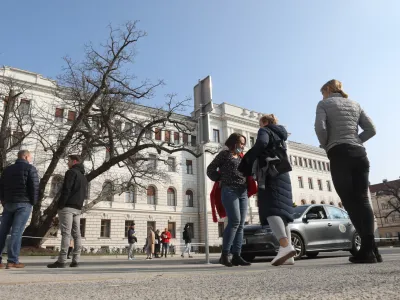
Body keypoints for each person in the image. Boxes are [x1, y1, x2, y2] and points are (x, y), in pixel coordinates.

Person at [315, 79, 379, 264]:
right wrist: (357, 140)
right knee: (363, 200)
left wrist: (327, 145)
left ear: (327, 90)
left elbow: (320, 127)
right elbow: (371, 129)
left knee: (350, 203)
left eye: (323, 92)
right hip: (360, 154)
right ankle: (371, 249)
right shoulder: (355, 104)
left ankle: (368, 251)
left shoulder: (324, 104)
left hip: (339, 153)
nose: (322, 96)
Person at [252, 115, 295, 266]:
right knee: (283, 215)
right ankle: (289, 256)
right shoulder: (281, 134)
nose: (260, 125)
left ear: (265, 122)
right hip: (283, 173)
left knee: (270, 210)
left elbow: (261, 144)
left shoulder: (265, 130)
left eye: (260, 123)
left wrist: (251, 158)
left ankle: (285, 246)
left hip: (270, 173)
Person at [207, 133, 251, 267]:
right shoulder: (224, 155)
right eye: (241, 143)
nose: (242, 146)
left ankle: (237, 255)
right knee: (234, 221)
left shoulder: (242, 157)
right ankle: (225, 255)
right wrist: (220, 179)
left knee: (241, 224)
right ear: (233, 143)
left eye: (244, 143)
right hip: (229, 190)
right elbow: (210, 169)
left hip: (243, 191)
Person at [0, 150, 39, 269]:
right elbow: (34, 186)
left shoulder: (7, 169)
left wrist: (3, 200)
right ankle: (12, 260)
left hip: (9, 203)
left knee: (2, 232)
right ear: (26, 156)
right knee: (16, 232)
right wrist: (34, 202)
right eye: (30, 157)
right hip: (24, 203)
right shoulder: (30, 169)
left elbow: (1, 186)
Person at [47, 155, 87, 268]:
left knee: (66, 233)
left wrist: (60, 204)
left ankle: (62, 260)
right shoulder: (83, 176)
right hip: (78, 207)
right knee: (77, 234)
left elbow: (66, 189)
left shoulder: (71, 172)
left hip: (67, 206)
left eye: (68, 161)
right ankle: (76, 259)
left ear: (74, 161)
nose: (67, 163)